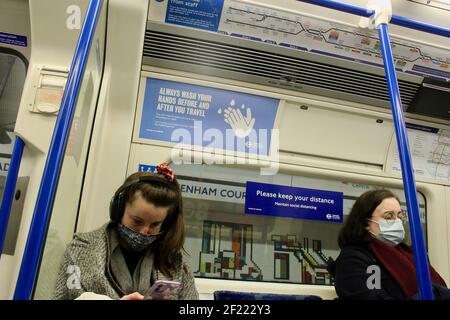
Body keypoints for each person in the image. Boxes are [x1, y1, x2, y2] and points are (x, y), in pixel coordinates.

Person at [53, 163, 199, 300]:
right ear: (118, 210)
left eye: (155, 224)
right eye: (137, 221)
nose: (144, 231)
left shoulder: (175, 260)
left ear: (166, 222)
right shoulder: (78, 250)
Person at [328, 189, 448, 300]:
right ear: (365, 223)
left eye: (400, 216)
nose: (397, 221)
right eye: (388, 216)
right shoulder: (355, 259)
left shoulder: (414, 255)